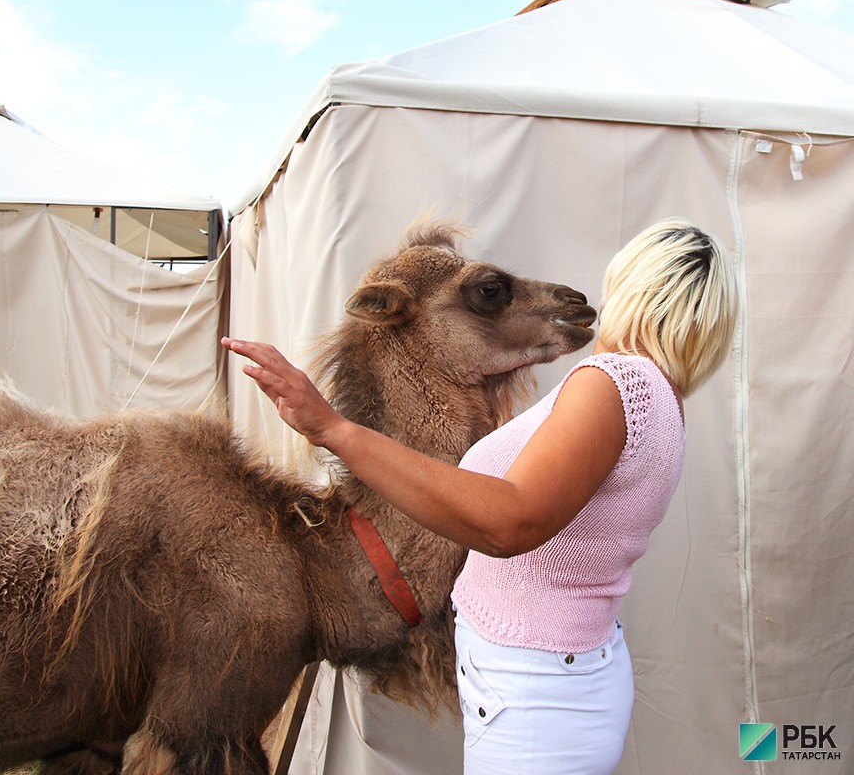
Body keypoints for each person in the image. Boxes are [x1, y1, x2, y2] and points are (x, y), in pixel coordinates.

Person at [221, 218, 739, 775]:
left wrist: (334, 430)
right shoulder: (664, 398)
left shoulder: (613, 385)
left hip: (535, 699)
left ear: (632, 282)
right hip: (557, 683)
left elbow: (508, 522)